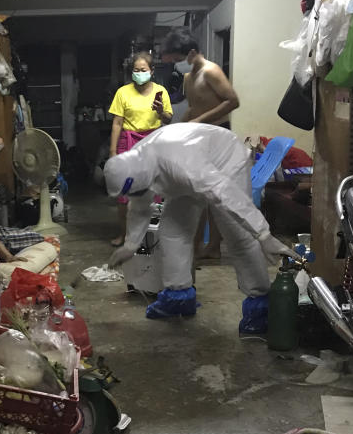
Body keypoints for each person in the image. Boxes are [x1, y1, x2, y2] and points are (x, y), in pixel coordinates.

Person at [105, 123, 294, 329]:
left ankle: (260, 306)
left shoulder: (179, 164)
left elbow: (223, 192)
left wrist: (263, 234)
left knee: (237, 234)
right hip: (186, 170)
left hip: (225, 161)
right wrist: (131, 244)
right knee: (172, 232)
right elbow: (140, 203)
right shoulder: (135, 164)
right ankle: (179, 297)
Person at [161, 27, 241, 260]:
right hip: (199, 136)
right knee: (199, 194)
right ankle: (197, 245)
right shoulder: (188, 77)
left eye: (178, 59)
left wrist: (198, 121)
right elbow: (194, 107)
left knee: (214, 196)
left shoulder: (211, 71)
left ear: (192, 52)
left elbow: (233, 101)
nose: (177, 64)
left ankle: (213, 245)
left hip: (217, 136)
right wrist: (177, 128)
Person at [108, 52, 173, 247]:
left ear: (152, 71)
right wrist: (113, 152)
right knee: (124, 192)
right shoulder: (123, 93)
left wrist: (160, 111)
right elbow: (117, 122)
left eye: (143, 70)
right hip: (127, 142)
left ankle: (152, 234)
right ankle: (125, 235)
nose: (139, 73)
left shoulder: (160, 91)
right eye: (136, 70)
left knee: (155, 191)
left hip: (152, 142)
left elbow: (168, 119)